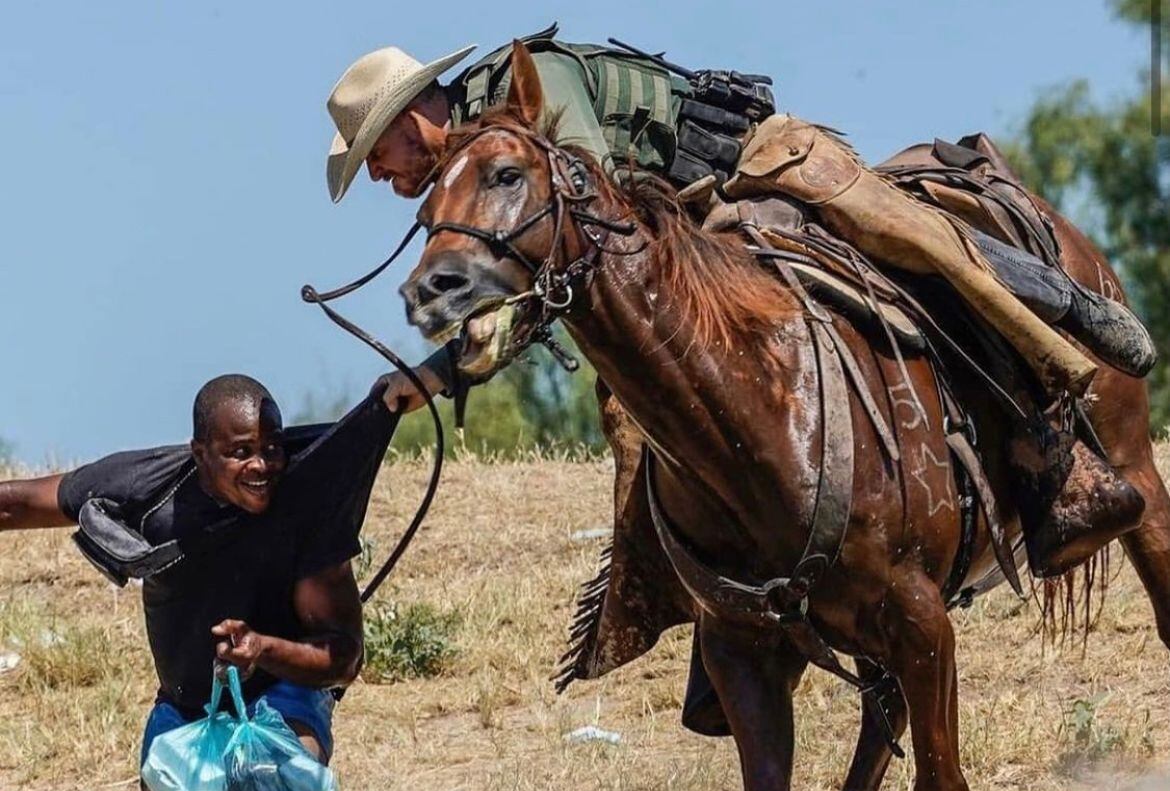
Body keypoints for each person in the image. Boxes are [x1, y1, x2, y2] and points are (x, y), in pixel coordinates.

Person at [321, 27, 1157, 578]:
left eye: (379, 156)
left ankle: (1055, 425)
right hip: (688, 246)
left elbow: (588, 219)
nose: (385, 179)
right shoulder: (474, 178)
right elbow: (546, 279)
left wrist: (456, 354)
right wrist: (439, 371)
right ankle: (698, 589)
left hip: (754, 173)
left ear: (411, 118)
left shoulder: (525, 93)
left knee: (911, 252)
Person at [0, 368, 440, 791]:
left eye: (270, 447)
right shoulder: (143, 486)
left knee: (291, 789)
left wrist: (264, 647)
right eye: (240, 451)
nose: (262, 464)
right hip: (186, 702)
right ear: (200, 451)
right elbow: (20, 503)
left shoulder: (309, 503)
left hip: (284, 688)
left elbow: (343, 656)